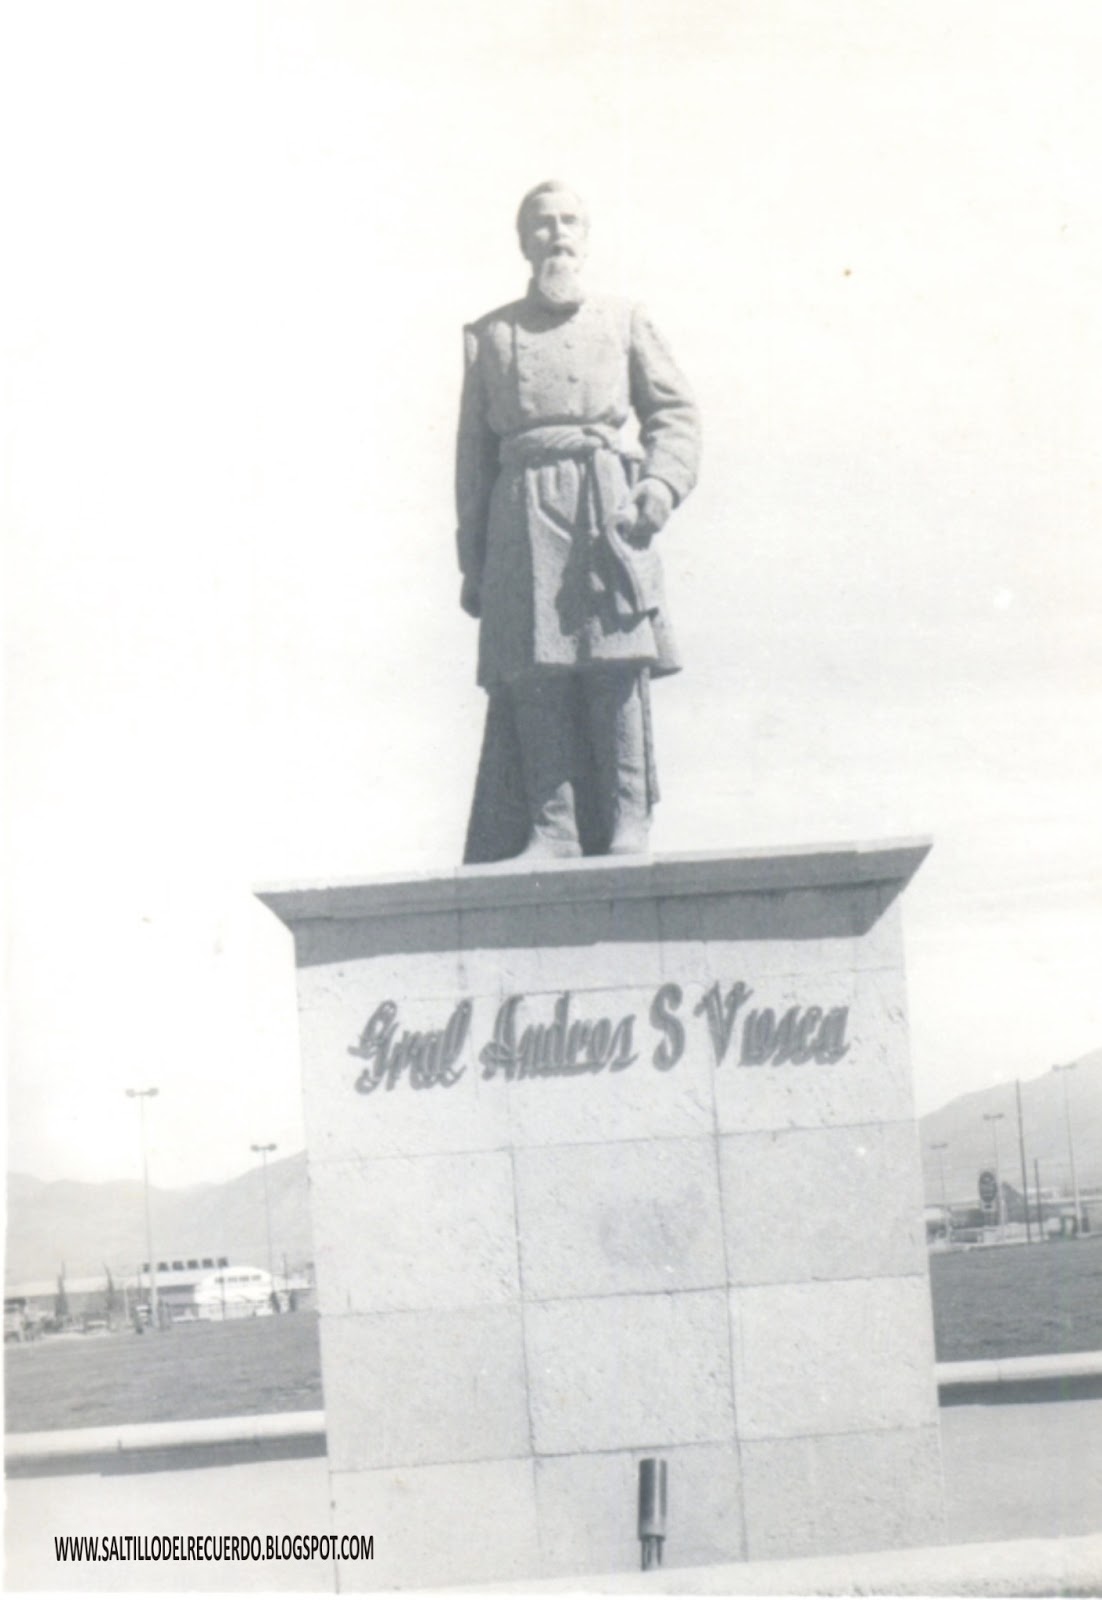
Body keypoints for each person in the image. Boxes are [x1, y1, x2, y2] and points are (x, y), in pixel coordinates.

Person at [457, 181, 700, 862]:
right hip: (520, 505)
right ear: (522, 241)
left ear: (586, 238)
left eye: (569, 222)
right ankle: (553, 828)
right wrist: (472, 562)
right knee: (534, 668)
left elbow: (676, 413)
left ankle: (629, 818)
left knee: (615, 663)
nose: (556, 234)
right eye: (542, 224)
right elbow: (472, 461)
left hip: (605, 500)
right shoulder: (490, 335)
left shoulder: (624, 319)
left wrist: (659, 484)